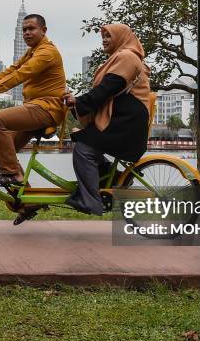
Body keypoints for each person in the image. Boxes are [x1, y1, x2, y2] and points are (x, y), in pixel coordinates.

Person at [0, 14, 66, 185]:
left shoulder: (46, 53)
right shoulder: (33, 51)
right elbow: (10, 71)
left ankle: (11, 174)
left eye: (31, 29)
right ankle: (26, 201)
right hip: (35, 107)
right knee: (6, 149)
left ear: (44, 30)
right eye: (24, 30)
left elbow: (19, 75)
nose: (27, 33)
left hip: (47, 109)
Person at [63, 24, 151, 215]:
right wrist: (77, 103)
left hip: (126, 122)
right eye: (102, 36)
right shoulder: (120, 58)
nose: (104, 39)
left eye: (109, 36)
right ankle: (112, 175)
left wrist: (78, 101)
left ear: (121, 38)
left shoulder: (127, 57)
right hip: (123, 119)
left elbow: (106, 90)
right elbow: (105, 92)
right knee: (85, 141)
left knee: (84, 149)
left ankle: (90, 201)